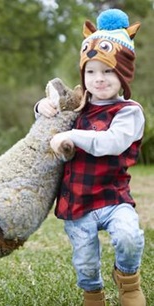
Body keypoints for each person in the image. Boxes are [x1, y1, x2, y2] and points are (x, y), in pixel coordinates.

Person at [36, 9, 145, 306]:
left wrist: (72, 136)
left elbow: (110, 142)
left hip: (113, 197)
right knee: (84, 259)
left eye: (108, 71)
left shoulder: (129, 112)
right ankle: (93, 292)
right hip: (78, 200)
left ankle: (128, 281)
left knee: (128, 236)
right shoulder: (77, 106)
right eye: (91, 71)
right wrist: (42, 107)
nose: (99, 79)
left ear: (122, 74)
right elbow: (51, 120)